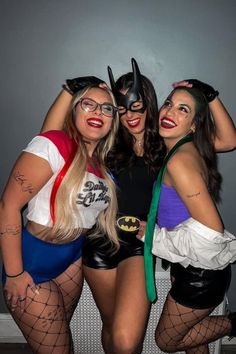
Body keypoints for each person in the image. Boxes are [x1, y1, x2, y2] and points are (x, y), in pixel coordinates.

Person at [40, 59, 236, 354]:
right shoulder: (104, 139)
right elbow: (50, 138)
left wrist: (210, 96)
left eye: (137, 106)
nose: (129, 115)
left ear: (148, 103)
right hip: (98, 242)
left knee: (126, 341)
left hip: (137, 244)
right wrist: (70, 90)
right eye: (121, 109)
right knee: (110, 328)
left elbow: (228, 140)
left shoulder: (168, 139)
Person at [0, 82, 120, 354]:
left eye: (106, 108)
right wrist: (14, 273)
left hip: (72, 258)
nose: (97, 111)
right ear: (73, 110)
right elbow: (7, 206)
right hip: (32, 261)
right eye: (88, 103)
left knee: (58, 334)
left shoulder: (101, 164)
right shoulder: (53, 144)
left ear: (113, 120)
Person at [138, 84, 236, 353]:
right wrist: (211, 96)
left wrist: (152, 235)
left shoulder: (179, 161)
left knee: (168, 341)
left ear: (194, 124)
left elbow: (212, 231)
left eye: (184, 109)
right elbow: (230, 140)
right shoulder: (187, 145)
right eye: (169, 103)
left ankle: (233, 323)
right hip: (188, 262)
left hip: (200, 272)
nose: (169, 112)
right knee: (194, 344)